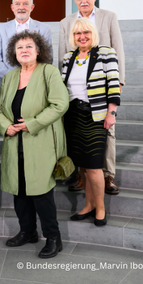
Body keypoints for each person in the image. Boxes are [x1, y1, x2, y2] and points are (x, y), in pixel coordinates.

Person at [0, 31, 68, 258]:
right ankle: (28, 232)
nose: (24, 50)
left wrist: (32, 124)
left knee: (42, 194)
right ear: (13, 54)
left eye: (29, 46)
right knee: (20, 192)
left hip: (41, 141)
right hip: (15, 142)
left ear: (38, 51)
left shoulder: (49, 72)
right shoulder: (9, 78)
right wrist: (7, 126)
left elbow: (60, 104)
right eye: (19, 47)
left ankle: (54, 238)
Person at [59, 0, 125, 195]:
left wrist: (119, 83)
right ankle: (79, 173)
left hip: (103, 86)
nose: (84, 0)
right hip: (75, 88)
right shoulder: (66, 22)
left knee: (108, 131)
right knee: (75, 132)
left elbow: (118, 50)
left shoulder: (109, 16)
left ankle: (107, 175)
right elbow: (62, 55)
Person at [62, 18, 121, 227]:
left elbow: (113, 83)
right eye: (78, 33)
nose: (82, 36)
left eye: (86, 32)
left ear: (93, 33)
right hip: (72, 116)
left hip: (95, 116)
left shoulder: (106, 53)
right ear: (73, 36)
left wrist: (111, 112)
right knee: (83, 168)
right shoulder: (69, 57)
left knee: (95, 167)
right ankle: (88, 205)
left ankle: (101, 208)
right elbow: (62, 88)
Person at [0, 0, 52, 97]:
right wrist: (14, 77)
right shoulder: (1, 29)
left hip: (35, 85)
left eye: (25, 4)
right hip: (7, 84)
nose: (21, 7)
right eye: (17, 4)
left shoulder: (44, 29)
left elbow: (47, 59)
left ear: (32, 7)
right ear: (12, 7)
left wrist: (29, 77)